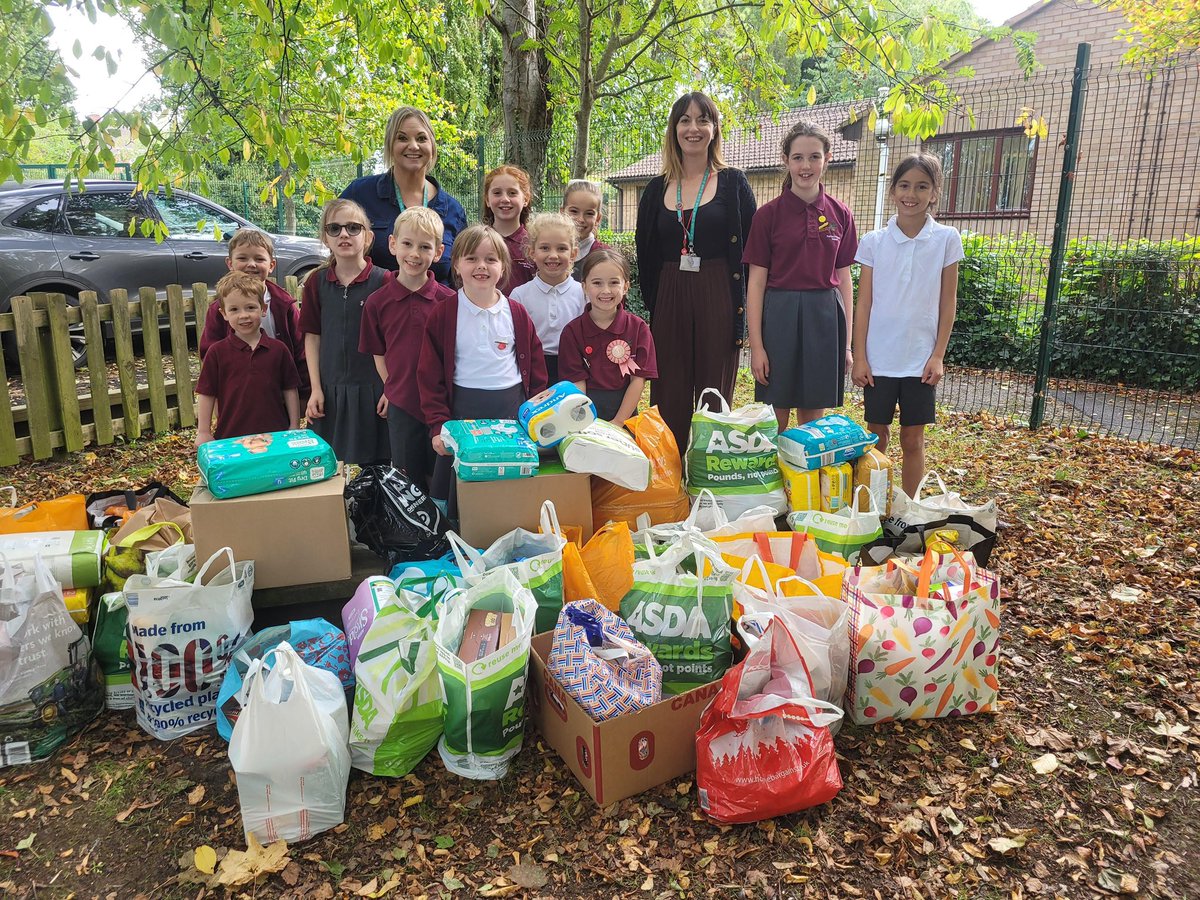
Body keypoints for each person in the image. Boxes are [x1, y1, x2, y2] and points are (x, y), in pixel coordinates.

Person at [635, 91, 757, 450]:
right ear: (674, 129)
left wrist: (745, 315)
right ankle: (671, 478)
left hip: (719, 291)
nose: (693, 128)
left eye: (702, 119)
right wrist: (657, 305)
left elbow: (750, 253)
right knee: (668, 390)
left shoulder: (734, 183)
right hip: (669, 294)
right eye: (685, 120)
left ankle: (709, 475)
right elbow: (647, 251)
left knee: (714, 391)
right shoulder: (656, 188)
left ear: (715, 128)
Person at [852, 152, 962, 496]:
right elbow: (864, 302)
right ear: (893, 191)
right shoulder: (873, 242)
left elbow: (948, 301)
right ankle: (874, 506)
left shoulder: (946, 239)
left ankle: (912, 509)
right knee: (877, 435)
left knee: (913, 439)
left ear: (934, 193)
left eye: (921, 186)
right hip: (879, 359)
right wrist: (861, 356)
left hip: (920, 361)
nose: (911, 194)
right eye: (904, 185)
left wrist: (938, 355)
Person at [417, 224, 548, 512]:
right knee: (462, 491)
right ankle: (461, 535)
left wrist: (534, 417)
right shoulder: (444, 314)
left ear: (503, 267)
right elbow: (429, 377)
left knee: (506, 488)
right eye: (472, 258)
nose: (481, 266)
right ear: (456, 265)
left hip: (510, 413)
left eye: (491, 259)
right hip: (463, 414)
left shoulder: (516, 313)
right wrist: (438, 424)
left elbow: (536, 370)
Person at [744, 120, 858, 431]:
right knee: (775, 418)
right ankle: (777, 480)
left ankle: (804, 479)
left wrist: (846, 345)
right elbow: (755, 283)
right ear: (785, 160)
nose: (806, 166)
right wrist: (757, 347)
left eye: (814, 156)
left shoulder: (841, 214)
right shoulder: (767, 216)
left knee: (812, 424)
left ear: (827, 158)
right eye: (798, 157)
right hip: (779, 316)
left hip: (824, 318)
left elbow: (844, 279)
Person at [360, 207, 456, 487]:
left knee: (442, 473)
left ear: (438, 252)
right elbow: (379, 354)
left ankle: (447, 527)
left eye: (424, 247)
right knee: (407, 476)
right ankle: (411, 530)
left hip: (443, 403)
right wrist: (392, 388)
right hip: (402, 405)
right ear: (392, 244)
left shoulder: (449, 301)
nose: (414, 253)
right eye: (407, 244)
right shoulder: (377, 303)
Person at [300, 198, 389, 464]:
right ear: (325, 238)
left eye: (353, 227)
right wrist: (316, 389)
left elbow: (394, 341)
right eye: (334, 228)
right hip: (331, 391)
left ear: (368, 236)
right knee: (327, 465)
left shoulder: (384, 281)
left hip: (374, 391)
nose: (344, 234)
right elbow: (312, 337)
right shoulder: (316, 282)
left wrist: (390, 388)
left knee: (378, 464)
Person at [340, 106, 467, 284]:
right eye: (402, 138)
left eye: (421, 138)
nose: (413, 146)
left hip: (436, 311)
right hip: (372, 309)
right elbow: (335, 248)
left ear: (432, 146)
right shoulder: (359, 195)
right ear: (390, 145)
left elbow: (460, 278)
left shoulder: (453, 211)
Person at [198, 227, 309, 403]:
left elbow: (301, 352)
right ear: (230, 263)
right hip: (237, 394)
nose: (251, 264)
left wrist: (304, 396)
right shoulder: (218, 310)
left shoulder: (284, 305)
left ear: (271, 265)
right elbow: (210, 355)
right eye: (242, 258)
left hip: (278, 393)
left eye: (259, 259)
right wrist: (219, 396)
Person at [195, 271, 300, 445]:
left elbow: (290, 389)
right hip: (230, 437)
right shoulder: (216, 353)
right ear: (224, 314)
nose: (243, 315)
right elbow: (207, 393)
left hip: (276, 437)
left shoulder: (278, 350)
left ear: (263, 309)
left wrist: (294, 425)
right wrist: (203, 431)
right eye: (234, 309)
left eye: (250, 307)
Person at [559, 249, 657, 424]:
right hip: (585, 415)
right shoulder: (572, 332)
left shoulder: (638, 329)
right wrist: (585, 421)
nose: (606, 290)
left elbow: (637, 380)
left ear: (625, 286)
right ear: (584, 286)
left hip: (625, 416)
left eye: (614, 283)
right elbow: (577, 382)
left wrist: (619, 422)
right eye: (597, 283)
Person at [510, 212, 584, 384]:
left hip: (575, 371)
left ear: (573, 254)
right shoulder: (519, 295)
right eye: (545, 248)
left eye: (561, 248)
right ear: (532, 252)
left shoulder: (583, 294)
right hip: (533, 370)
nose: (553, 255)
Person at [482, 164, 537, 295]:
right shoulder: (477, 241)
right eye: (497, 193)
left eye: (512, 193)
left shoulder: (535, 243)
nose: (505, 199)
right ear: (487, 200)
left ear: (526, 199)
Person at [561, 179, 609, 278]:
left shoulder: (605, 256)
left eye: (589, 213)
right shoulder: (547, 250)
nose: (581, 219)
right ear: (562, 212)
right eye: (574, 211)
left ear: (598, 218)